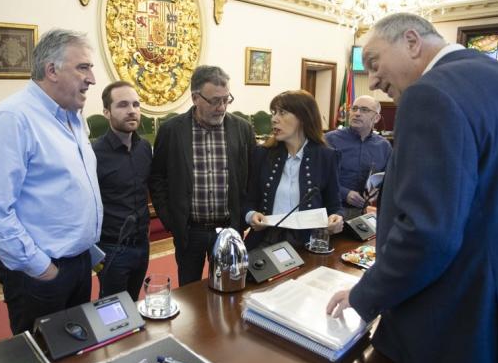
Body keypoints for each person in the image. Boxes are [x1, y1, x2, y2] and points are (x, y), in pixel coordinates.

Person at [326, 13, 498, 363]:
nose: (371, 80)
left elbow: (428, 232)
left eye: (373, 62)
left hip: (454, 322)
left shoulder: (432, 93)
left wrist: (365, 295)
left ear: (411, 42)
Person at [0, 29, 102, 334]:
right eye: (83, 67)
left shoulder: (73, 117)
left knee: (76, 356)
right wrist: (42, 268)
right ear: (51, 70)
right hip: (41, 272)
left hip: (78, 264)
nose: (92, 78)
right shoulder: (11, 119)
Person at [149, 65, 255, 287]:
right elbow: (158, 178)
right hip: (190, 231)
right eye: (215, 101)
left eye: (227, 99)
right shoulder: (172, 130)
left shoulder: (242, 129)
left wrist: (242, 218)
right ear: (196, 98)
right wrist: (171, 220)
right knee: (189, 292)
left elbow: (251, 176)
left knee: (229, 289)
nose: (222, 107)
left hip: (229, 229)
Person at [244, 90, 343, 250]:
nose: (274, 119)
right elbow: (249, 201)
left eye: (282, 113)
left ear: (303, 118)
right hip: (266, 238)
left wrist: (336, 218)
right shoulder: (262, 154)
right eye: (273, 112)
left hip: (308, 242)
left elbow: (334, 205)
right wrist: (251, 216)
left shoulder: (326, 156)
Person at [93, 81, 152, 301]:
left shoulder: (144, 148)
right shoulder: (95, 154)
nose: (132, 111)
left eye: (136, 104)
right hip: (112, 249)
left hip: (142, 244)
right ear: (106, 112)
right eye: (123, 105)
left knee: (134, 304)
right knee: (113, 311)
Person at [325, 95, 391, 219]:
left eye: (364, 110)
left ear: (376, 118)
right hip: (331, 210)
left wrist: (376, 192)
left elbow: (388, 179)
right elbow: (318, 176)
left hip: (363, 213)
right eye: (354, 108)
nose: (357, 113)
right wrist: (345, 193)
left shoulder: (384, 146)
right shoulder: (330, 139)